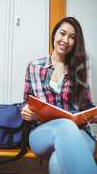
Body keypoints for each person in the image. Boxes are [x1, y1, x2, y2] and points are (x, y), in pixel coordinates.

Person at [21, 17, 97, 174]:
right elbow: (26, 101)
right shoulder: (34, 67)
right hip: (42, 133)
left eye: (72, 37)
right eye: (62, 33)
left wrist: (94, 113)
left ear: (76, 43)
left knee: (57, 162)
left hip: (80, 133)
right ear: (54, 34)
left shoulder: (80, 70)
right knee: (65, 125)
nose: (66, 40)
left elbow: (87, 105)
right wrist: (25, 110)